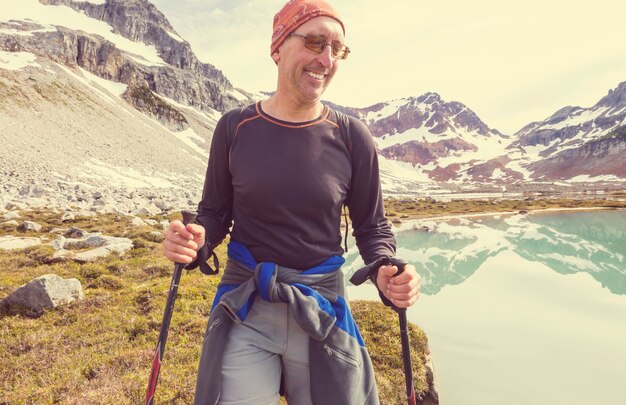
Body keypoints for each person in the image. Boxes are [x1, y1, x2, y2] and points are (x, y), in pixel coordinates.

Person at [163, 0, 421, 403]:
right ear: (278, 46)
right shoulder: (234, 127)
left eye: (338, 49)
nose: (327, 58)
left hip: (322, 306)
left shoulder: (353, 137)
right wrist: (195, 240)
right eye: (316, 42)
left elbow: (372, 227)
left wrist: (384, 268)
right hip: (247, 305)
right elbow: (214, 213)